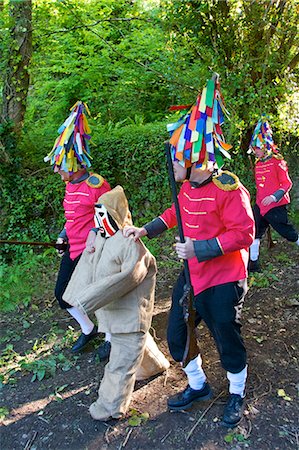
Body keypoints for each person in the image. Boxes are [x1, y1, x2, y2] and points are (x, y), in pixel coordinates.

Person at [124, 76, 255, 427]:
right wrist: (145, 229)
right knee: (178, 335)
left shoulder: (229, 188)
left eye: (176, 157)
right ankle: (198, 385)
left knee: (226, 336)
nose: (172, 164)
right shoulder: (188, 187)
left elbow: (244, 233)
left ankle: (237, 392)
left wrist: (201, 247)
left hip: (224, 279)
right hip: (192, 277)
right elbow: (175, 214)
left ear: (195, 156)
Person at [63, 186, 169, 421]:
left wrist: (88, 298)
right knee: (136, 346)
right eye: (96, 214)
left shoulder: (130, 243)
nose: (98, 220)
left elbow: (128, 276)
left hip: (130, 315)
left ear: (117, 215)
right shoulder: (102, 238)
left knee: (119, 364)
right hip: (113, 314)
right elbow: (89, 267)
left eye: (104, 215)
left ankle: (110, 407)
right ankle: (155, 365)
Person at [44, 101, 112, 357]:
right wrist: (63, 235)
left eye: (60, 164)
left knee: (100, 297)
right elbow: (72, 217)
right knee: (62, 295)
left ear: (74, 164)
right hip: (73, 250)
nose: (56, 169)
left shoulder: (97, 184)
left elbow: (108, 218)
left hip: (93, 252)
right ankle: (88, 329)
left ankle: (110, 337)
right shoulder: (70, 185)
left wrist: (97, 240)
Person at [248, 118, 299, 272]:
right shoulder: (258, 164)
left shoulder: (278, 162)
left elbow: (286, 184)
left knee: (287, 232)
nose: (255, 150)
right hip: (260, 206)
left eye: (257, 147)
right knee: (255, 232)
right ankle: (253, 263)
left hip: (275, 206)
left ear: (265, 146)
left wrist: (274, 197)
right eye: (254, 147)